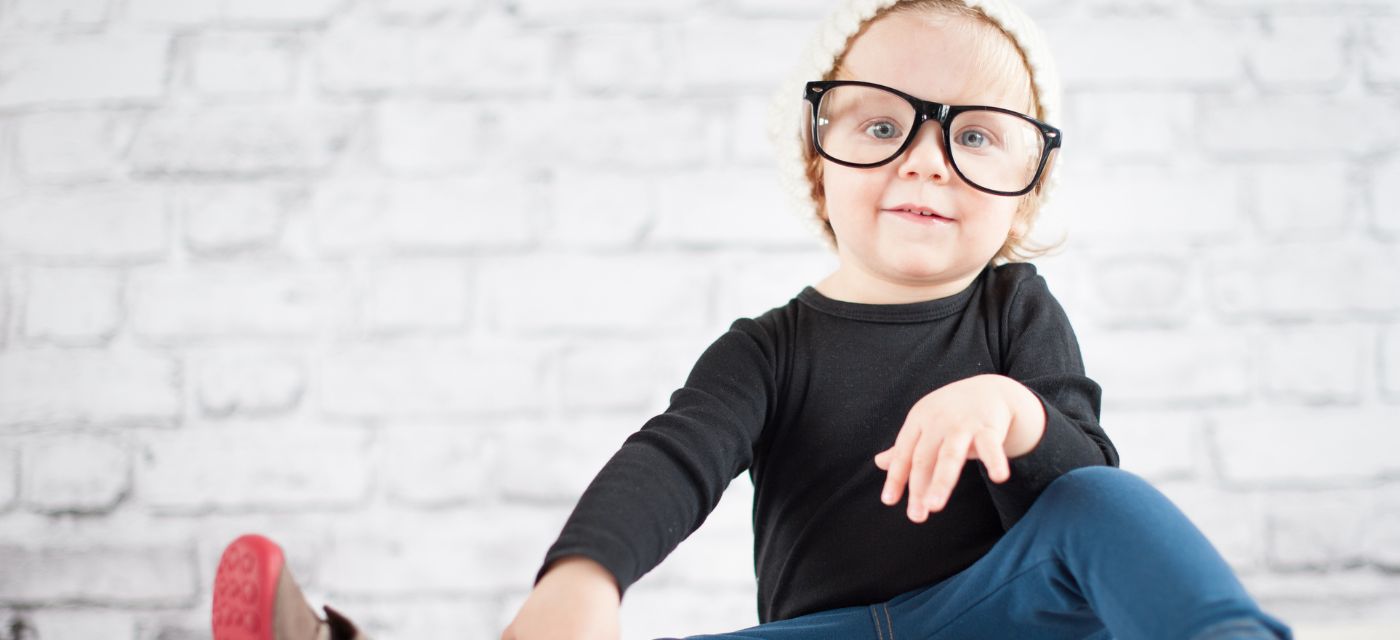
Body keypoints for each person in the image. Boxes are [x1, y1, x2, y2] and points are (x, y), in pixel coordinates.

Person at [212, 1, 1297, 639]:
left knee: (1102, 499)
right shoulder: (767, 349)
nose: (924, 154)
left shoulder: (1015, 308)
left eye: (974, 136)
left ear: (1025, 192)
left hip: (1003, 620)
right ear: (818, 168)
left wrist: (1012, 414)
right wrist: (579, 581)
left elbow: (1083, 499)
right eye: (880, 124)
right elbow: (673, 460)